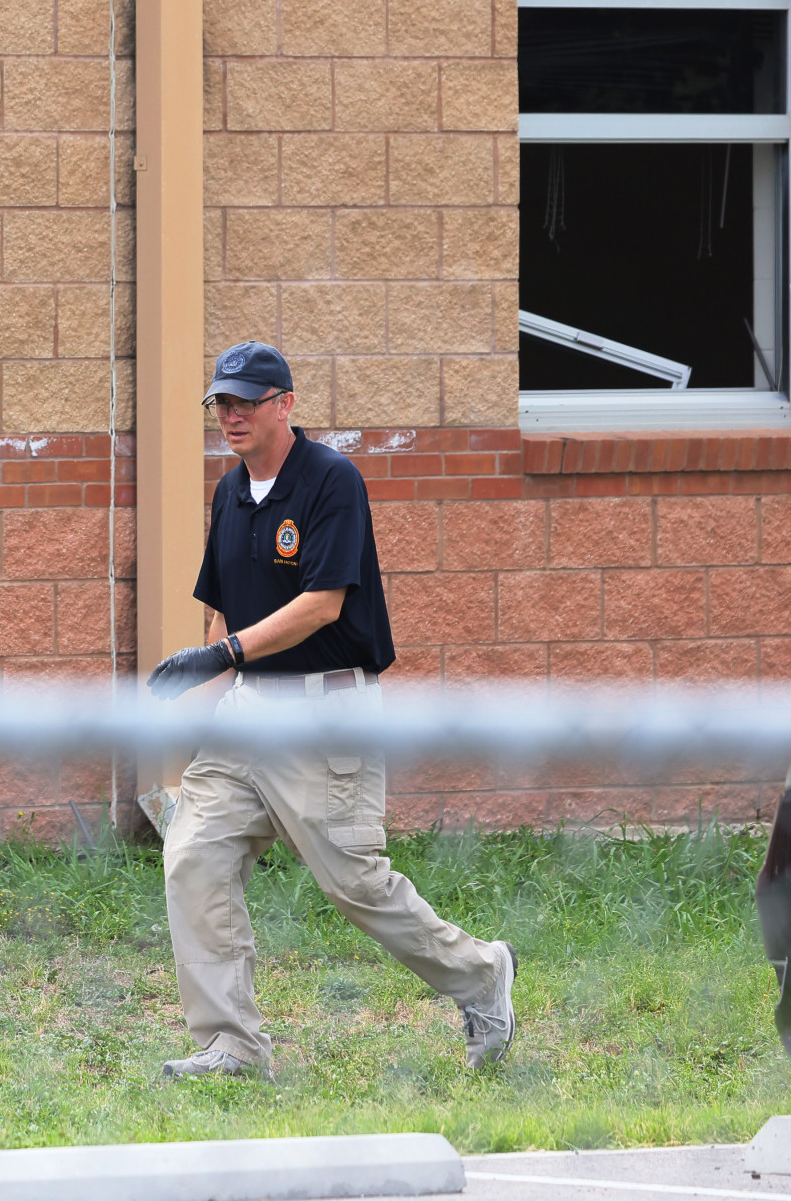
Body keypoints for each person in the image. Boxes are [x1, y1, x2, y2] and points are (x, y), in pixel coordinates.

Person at [142, 341, 518, 1080]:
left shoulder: (330, 482)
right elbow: (227, 617)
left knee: (354, 884)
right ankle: (232, 1045)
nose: (233, 414)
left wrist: (220, 659)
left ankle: (481, 976)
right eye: (223, 401)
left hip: (326, 713)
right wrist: (197, 712)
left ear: (287, 404)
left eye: (249, 400)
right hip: (246, 715)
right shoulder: (229, 492)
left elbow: (321, 605)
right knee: (192, 860)